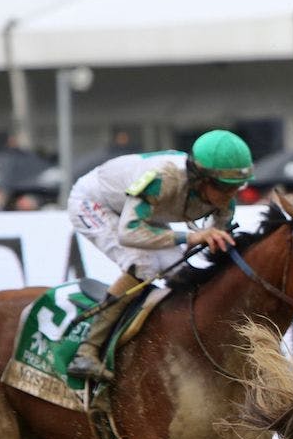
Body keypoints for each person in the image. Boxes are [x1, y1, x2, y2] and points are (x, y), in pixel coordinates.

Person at [65, 129, 253, 382]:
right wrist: (190, 237)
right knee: (141, 265)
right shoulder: (162, 178)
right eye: (223, 187)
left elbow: (214, 245)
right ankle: (87, 351)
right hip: (95, 202)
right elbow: (129, 234)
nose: (229, 196)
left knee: (179, 272)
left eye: (236, 188)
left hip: (140, 212)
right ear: (199, 178)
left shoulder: (225, 199)